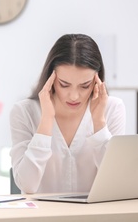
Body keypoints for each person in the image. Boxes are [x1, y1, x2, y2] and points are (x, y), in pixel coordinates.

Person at [10, 34, 126, 194]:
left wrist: (99, 123)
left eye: (84, 86)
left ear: (97, 80)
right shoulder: (24, 112)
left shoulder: (113, 108)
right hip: (42, 217)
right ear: (50, 78)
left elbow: (117, 183)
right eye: (64, 85)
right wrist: (46, 120)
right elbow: (27, 185)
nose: (74, 96)